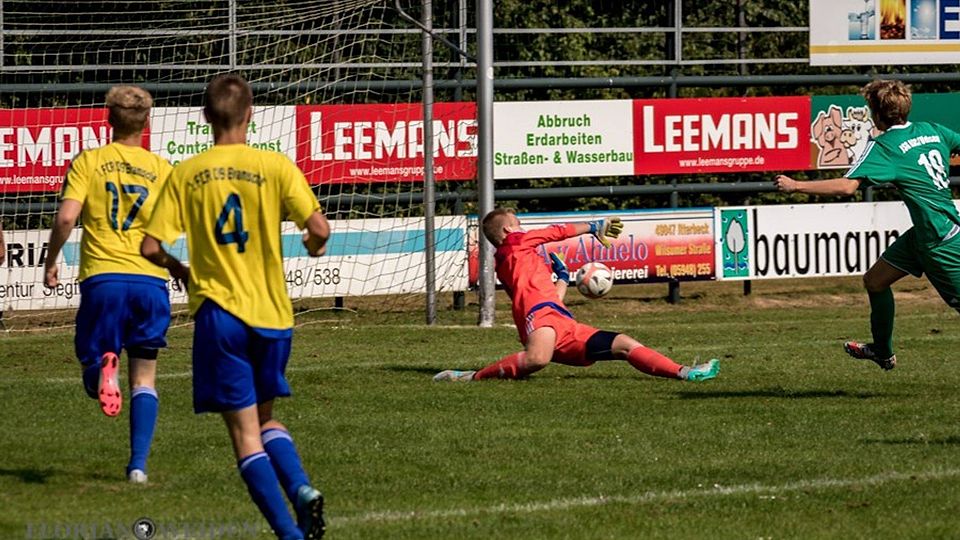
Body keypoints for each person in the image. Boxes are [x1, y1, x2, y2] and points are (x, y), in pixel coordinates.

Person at [141, 74, 330, 540]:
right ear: (250, 114)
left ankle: (289, 532)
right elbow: (320, 228)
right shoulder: (276, 165)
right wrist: (311, 244)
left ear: (206, 117)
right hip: (274, 317)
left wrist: (178, 267)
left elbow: (148, 246)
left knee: (245, 435)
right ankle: (301, 488)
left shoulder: (186, 172)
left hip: (221, 316)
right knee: (264, 420)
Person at [775, 79, 960, 371]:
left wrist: (796, 184)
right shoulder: (931, 130)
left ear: (875, 114)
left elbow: (848, 187)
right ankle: (882, 351)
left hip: (941, 242)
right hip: (924, 236)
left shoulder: (885, 146)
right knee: (875, 281)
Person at [43, 85, 175, 484]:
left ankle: (101, 369)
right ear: (147, 121)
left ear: (108, 118)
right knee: (146, 376)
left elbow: (66, 218)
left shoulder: (90, 161)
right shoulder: (163, 169)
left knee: (92, 360)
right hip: (151, 281)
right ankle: (137, 466)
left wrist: (51, 261)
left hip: (104, 278)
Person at [434, 209, 720, 382]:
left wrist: (563, 278)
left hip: (562, 323)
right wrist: (593, 227)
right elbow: (555, 232)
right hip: (542, 321)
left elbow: (553, 299)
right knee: (537, 359)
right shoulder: (514, 244)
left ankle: (686, 372)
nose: (523, 228)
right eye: (519, 223)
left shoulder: (522, 260)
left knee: (625, 343)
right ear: (509, 229)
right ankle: (472, 377)